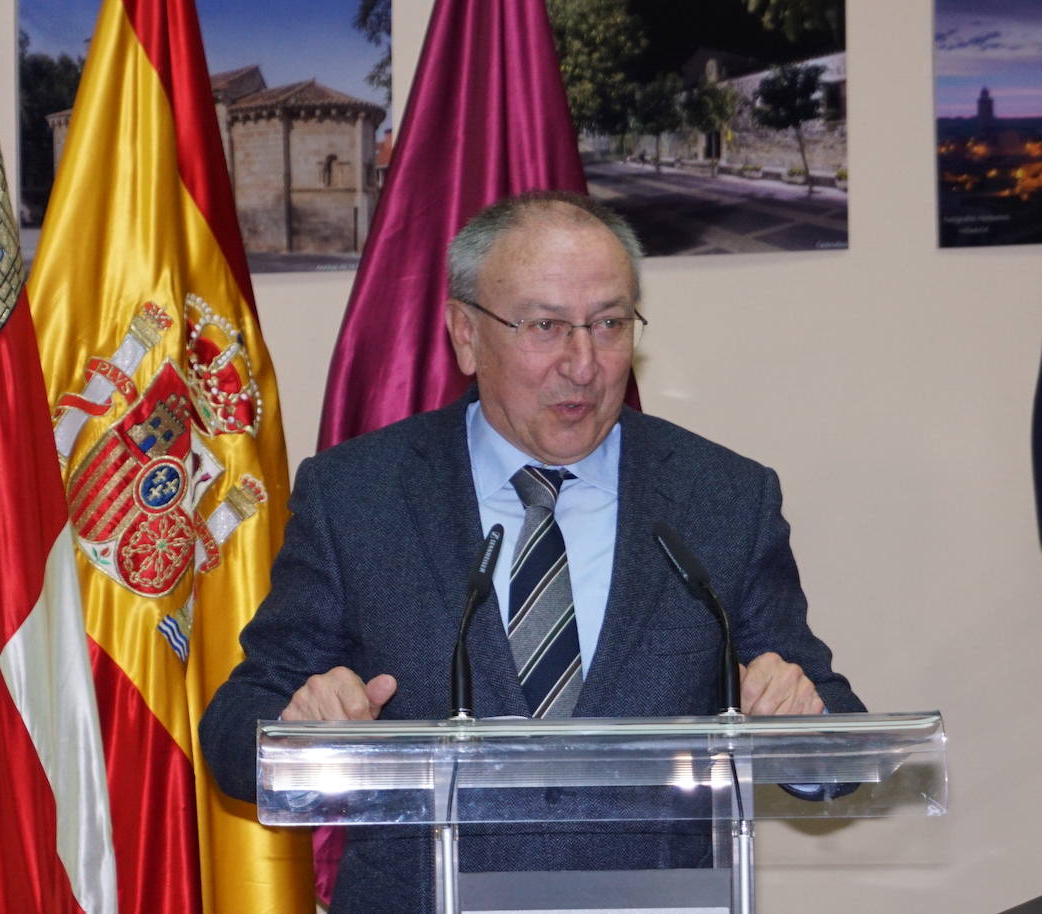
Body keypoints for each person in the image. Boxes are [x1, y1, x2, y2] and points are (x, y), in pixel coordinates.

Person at [200, 191, 861, 912]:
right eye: (546, 326)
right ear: (464, 334)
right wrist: (297, 730)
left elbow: (835, 734)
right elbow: (239, 724)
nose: (583, 364)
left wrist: (801, 717)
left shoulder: (722, 498)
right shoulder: (358, 495)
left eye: (609, 324)